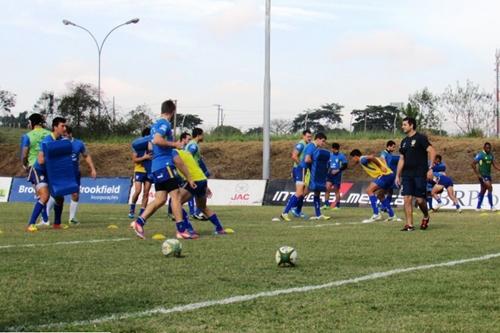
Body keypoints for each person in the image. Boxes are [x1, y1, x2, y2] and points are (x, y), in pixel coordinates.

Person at [132, 100, 197, 240]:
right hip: (165, 165)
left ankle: (139, 222)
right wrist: (175, 144)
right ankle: (181, 230)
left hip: (157, 167)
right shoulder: (164, 123)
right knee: (176, 195)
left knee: (161, 199)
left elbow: (153, 142)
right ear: (172, 111)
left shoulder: (155, 124)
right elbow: (157, 140)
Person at [25, 117, 67, 232]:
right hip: (39, 170)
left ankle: (57, 224)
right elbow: (40, 160)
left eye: (65, 126)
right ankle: (31, 224)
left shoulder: (61, 141)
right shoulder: (47, 141)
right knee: (45, 196)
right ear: (55, 127)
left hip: (51, 171)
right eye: (62, 126)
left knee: (59, 197)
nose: (64, 128)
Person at [174, 147, 228, 234]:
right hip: (202, 179)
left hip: (193, 180)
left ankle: (189, 229)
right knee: (202, 207)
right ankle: (219, 228)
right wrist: (205, 186)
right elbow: (196, 167)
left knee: (176, 203)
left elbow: (179, 166)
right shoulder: (186, 153)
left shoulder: (173, 153)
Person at [395, 117, 436, 231]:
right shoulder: (404, 142)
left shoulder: (421, 138)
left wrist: (431, 168)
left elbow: (432, 151)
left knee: (420, 200)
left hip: (420, 173)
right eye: (402, 124)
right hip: (407, 174)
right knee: (407, 198)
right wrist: (397, 175)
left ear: (411, 125)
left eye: (404, 124)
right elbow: (402, 159)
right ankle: (409, 225)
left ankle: (426, 216)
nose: (402, 126)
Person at [349, 149, 401, 223]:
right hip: (390, 175)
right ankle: (392, 215)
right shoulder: (363, 159)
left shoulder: (362, 159)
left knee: (369, 190)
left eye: (352, 158)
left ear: (355, 156)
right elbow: (377, 158)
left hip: (384, 175)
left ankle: (376, 214)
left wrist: (380, 167)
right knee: (380, 195)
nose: (352, 160)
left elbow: (371, 158)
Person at [21, 113, 51, 226]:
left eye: (29, 122)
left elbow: (24, 154)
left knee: (41, 195)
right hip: (49, 167)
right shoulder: (49, 134)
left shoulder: (28, 136)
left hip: (35, 167)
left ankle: (37, 221)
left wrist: (24, 165)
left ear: (32, 123)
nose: (28, 124)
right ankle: (45, 219)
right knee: (45, 195)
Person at [65, 126, 97, 224]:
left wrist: (92, 169)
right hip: (61, 172)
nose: (63, 136)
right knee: (56, 195)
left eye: (65, 134)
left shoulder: (79, 143)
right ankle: (45, 218)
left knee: (75, 194)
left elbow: (86, 155)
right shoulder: (58, 143)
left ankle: (71, 218)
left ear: (70, 134)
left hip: (74, 173)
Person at [280, 129, 312, 221]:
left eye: (310, 136)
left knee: (305, 192)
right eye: (308, 136)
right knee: (299, 192)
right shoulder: (301, 144)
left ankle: (297, 210)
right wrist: (301, 165)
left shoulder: (308, 145)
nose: (309, 138)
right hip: (300, 169)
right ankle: (286, 212)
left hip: (305, 170)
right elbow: (294, 156)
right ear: (303, 136)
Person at [185, 128, 209, 220]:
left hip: (192, 172)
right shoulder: (193, 145)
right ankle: (197, 212)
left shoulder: (192, 144)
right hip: (194, 173)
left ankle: (196, 212)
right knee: (198, 193)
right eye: (202, 135)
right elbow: (188, 154)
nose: (203, 137)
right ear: (198, 135)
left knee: (192, 192)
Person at [128, 127, 153, 219]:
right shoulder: (138, 147)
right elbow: (134, 160)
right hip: (139, 170)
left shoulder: (153, 147)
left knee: (146, 193)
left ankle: (142, 212)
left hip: (149, 172)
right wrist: (144, 157)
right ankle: (132, 208)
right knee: (138, 191)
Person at [304, 133, 330, 220]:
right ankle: (294, 209)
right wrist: (316, 165)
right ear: (318, 139)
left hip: (313, 173)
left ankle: (318, 214)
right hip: (306, 172)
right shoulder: (311, 146)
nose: (323, 143)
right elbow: (307, 159)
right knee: (303, 193)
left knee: (317, 192)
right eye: (323, 141)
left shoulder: (316, 148)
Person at [472, 142, 500, 211]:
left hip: (488, 175)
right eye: (487, 148)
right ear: (484, 148)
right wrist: (478, 175)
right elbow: (473, 164)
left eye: (489, 148)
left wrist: (499, 168)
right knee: (490, 187)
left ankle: (478, 207)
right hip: (482, 175)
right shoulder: (481, 155)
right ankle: (492, 206)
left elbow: (494, 165)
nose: (488, 149)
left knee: (483, 191)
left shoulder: (490, 155)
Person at [323, 142, 347, 210]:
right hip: (330, 174)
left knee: (336, 190)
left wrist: (337, 170)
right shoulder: (330, 155)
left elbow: (345, 166)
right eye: (333, 149)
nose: (333, 150)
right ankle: (326, 204)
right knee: (327, 188)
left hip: (337, 175)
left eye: (333, 149)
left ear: (336, 149)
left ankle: (337, 205)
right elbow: (327, 164)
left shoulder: (341, 156)